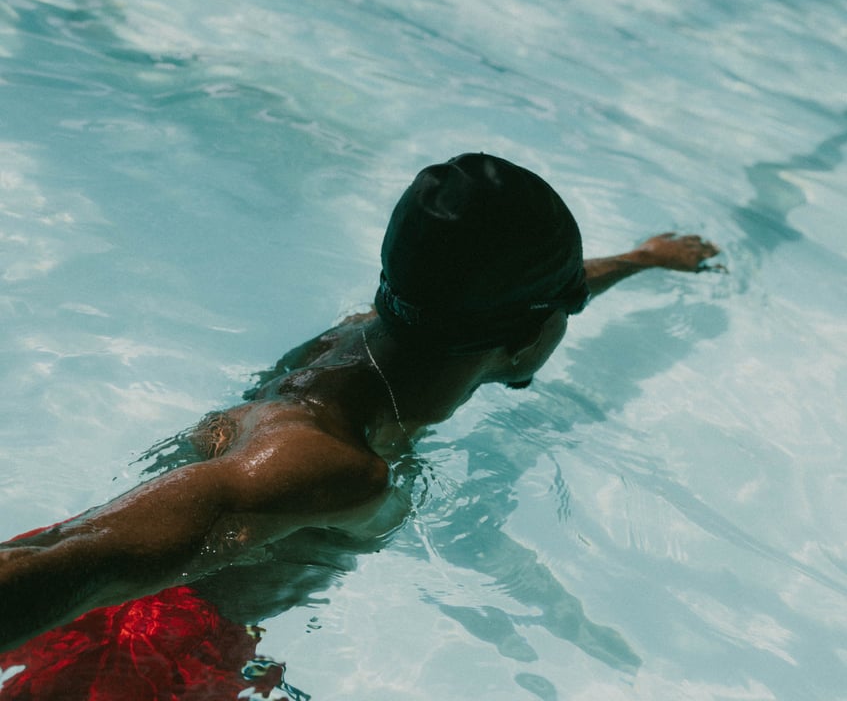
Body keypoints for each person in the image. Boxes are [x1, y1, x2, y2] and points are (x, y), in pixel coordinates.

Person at [0, 153, 719, 680]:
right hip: (146, 658)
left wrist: (646, 258)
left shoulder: (365, 337)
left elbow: (533, 294)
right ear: (528, 336)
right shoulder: (322, 461)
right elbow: (79, 556)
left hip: (158, 626)